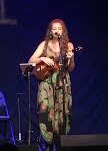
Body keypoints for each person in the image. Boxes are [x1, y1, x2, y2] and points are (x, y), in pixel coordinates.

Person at [28, 19, 75, 148]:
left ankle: (60, 144)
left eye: (59, 28)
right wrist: (42, 58)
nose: (57, 31)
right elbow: (31, 60)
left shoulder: (68, 46)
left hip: (62, 84)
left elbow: (71, 68)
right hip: (47, 84)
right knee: (46, 114)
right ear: (50, 31)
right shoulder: (44, 44)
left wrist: (70, 59)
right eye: (54, 28)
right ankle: (48, 144)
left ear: (63, 31)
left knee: (62, 115)